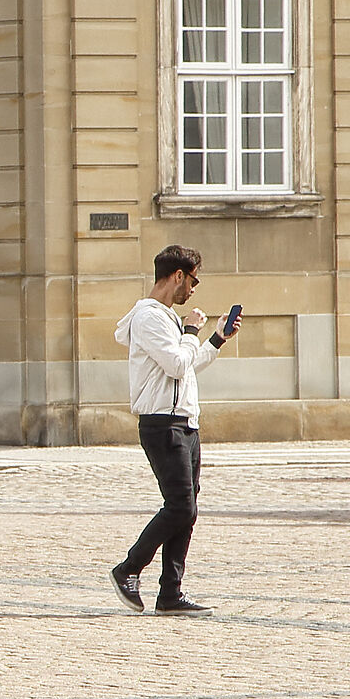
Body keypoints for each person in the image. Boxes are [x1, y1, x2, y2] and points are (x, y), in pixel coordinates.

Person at [109, 243, 236, 616]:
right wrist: (193, 330)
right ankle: (128, 569)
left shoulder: (165, 320)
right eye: (193, 280)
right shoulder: (149, 317)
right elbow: (178, 363)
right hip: (163, 424)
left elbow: (187, 364)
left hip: (184, 422)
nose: (194, 289)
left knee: (188, 508)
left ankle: (170, 594)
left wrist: (215, 340)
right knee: (180, 506)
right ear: (177, 276)